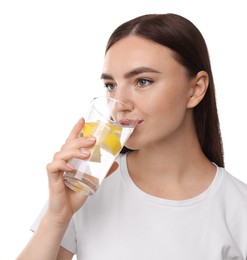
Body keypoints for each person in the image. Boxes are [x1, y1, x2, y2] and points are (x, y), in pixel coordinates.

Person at [17, 13, 247, 260]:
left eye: (143, 81)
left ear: (196, 89)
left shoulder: (238, 209)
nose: (119, 104)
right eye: (111, 85)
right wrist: (56, 218)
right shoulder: (87, 184)